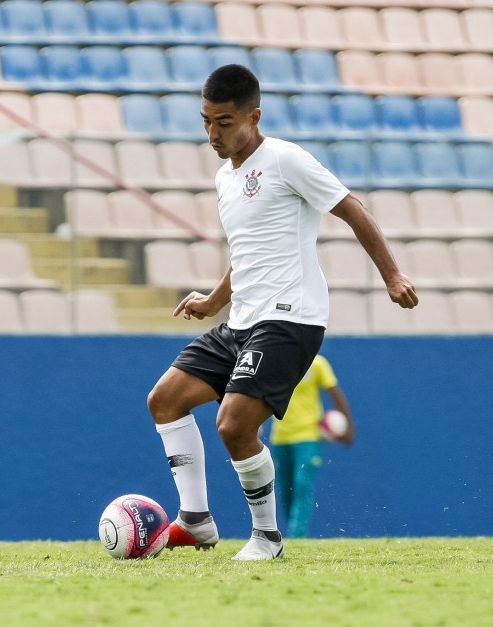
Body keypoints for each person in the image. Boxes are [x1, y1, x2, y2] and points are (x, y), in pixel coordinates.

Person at [146, 65, 417, 560]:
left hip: (291, 318)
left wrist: (392, 276)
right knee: (165, 399)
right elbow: (248, 250)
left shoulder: (287, 160)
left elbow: (351, 207)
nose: (213, 133)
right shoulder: (225, 179)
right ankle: (196, 520)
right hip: (242, 322)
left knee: (233, 426)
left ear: (254, 116)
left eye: (224, 122)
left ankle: (267, 538)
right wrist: (213, 301)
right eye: (206, 121)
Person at [269, 354, 354, 539]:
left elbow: (336, 395)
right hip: (280, 436)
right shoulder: (275, 361)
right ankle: (294, 529)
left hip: (309, 436)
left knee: (302, 484)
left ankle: (297, 536)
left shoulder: (317, 363)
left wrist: (349, 427)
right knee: (287, 489)